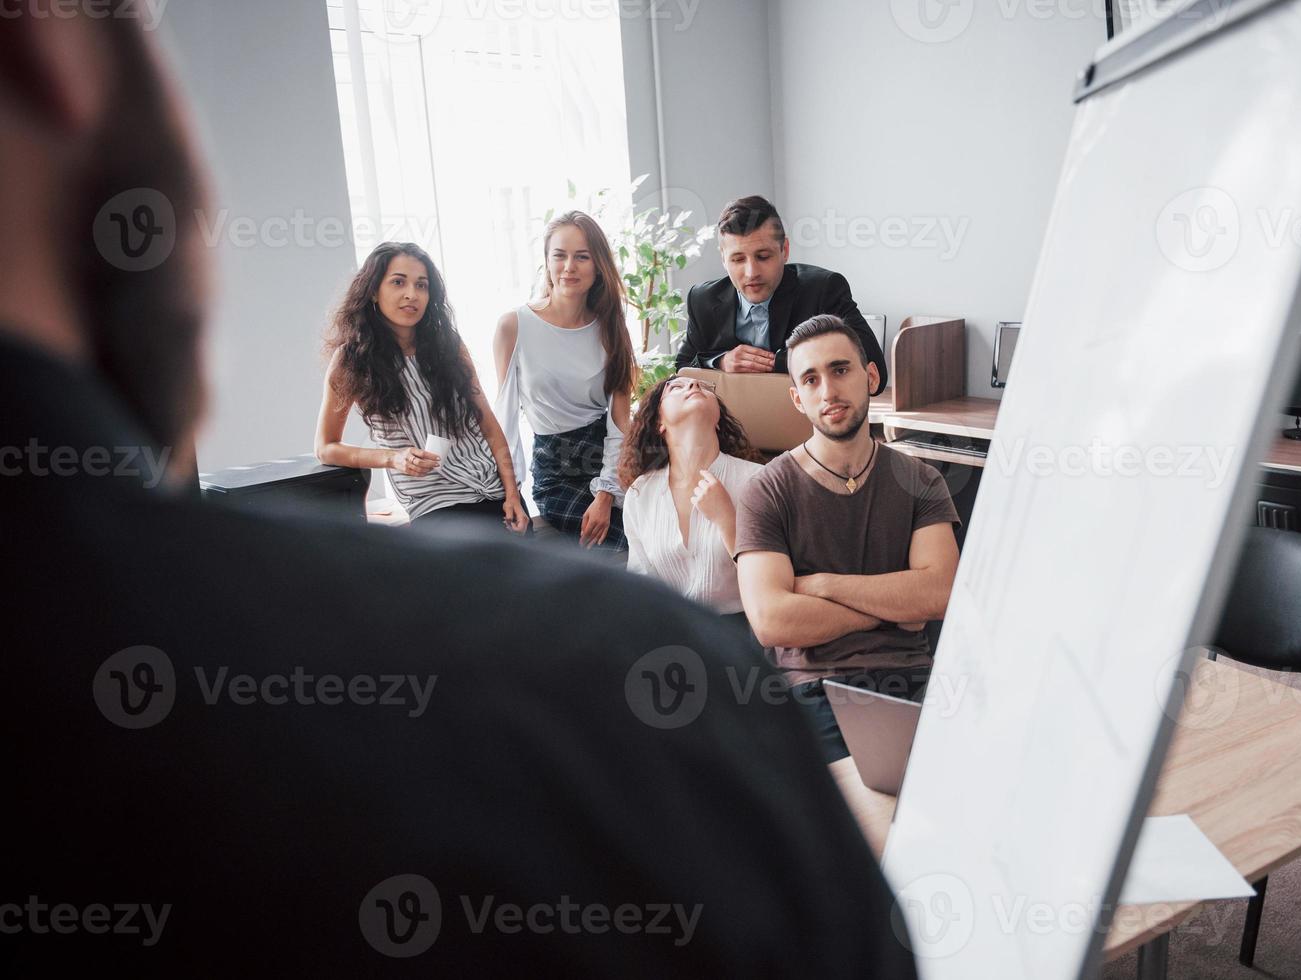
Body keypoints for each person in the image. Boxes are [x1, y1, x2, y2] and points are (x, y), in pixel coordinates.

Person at [0, 9, 918, 974]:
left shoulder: (696, 507)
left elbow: (533, 413)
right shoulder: (616, 667)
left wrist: (587, 477)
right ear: (52, 50)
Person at [735, 315, 961, 762]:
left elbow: (939, 594)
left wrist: (820, 585)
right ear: (797, 398)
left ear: (870, 376)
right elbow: (772, 621)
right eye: (811, 380)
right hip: (813, 689)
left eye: (840, 370)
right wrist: (893, 611)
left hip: (914, 679)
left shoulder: (922, 479)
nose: (828, 392)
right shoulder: (766, 489)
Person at [315, 242, 528, 534]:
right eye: (398, 282)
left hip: (493, 491)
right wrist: (393, 457)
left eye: (422, 285)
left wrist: (513, 495)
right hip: (435, 504)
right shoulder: (351, 361)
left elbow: (488, 423)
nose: (411, 294)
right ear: (374, 291)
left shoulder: (449, 346)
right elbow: (326, 447)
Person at [494, 213, 634, 550]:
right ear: (546, 261)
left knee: (660, 530)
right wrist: (511, 492)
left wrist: (606, 493)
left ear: (598, 265)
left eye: (582, 256)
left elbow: (620, 424)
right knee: (624, 542)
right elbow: (505, 420)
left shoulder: (611, 329)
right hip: (556, 472)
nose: (569, 266)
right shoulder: (514, 325)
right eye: (560, 255)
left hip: (610, 464)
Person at [674, 195, 888, 391]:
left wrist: (776, 362)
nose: (751, 273)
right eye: (738, 259)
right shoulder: (702, 299)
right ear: (723, 258)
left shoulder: (823, 289)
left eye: (763, 256)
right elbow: (682, 369)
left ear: (784, 250)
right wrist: (720, 361)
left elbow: (874, 369)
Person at [619, 375, 765, 623]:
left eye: (703, 386)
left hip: (746, 630)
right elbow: (642, 585)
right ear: (658, 422)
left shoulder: (759, 481)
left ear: (717, 419)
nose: (694, 385)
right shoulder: (640, 493)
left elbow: (772, 583)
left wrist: (727, 520)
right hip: (671, 627)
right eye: (676, 387)